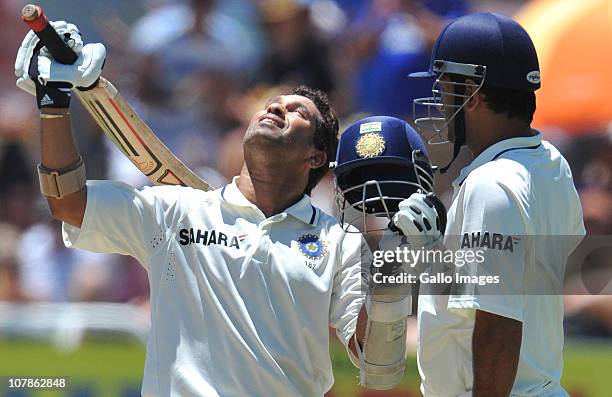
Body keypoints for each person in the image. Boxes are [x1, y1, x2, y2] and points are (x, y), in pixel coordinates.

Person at [14, 20, 430, 396]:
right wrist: (54, 103)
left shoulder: (340, 242)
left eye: (296, 110)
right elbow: (67, 202)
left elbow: (378, 365)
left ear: (316, 157)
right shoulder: (175, 210)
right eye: (271, 103)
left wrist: (394, 266)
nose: (275, 106)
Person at [397, 12, 586, 396]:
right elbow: (516, 277)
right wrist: (436, 255)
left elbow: (499, 323)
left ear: (474, 95)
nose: (439, 101)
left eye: (445, 87)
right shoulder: (551, 163)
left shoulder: (491, 185)